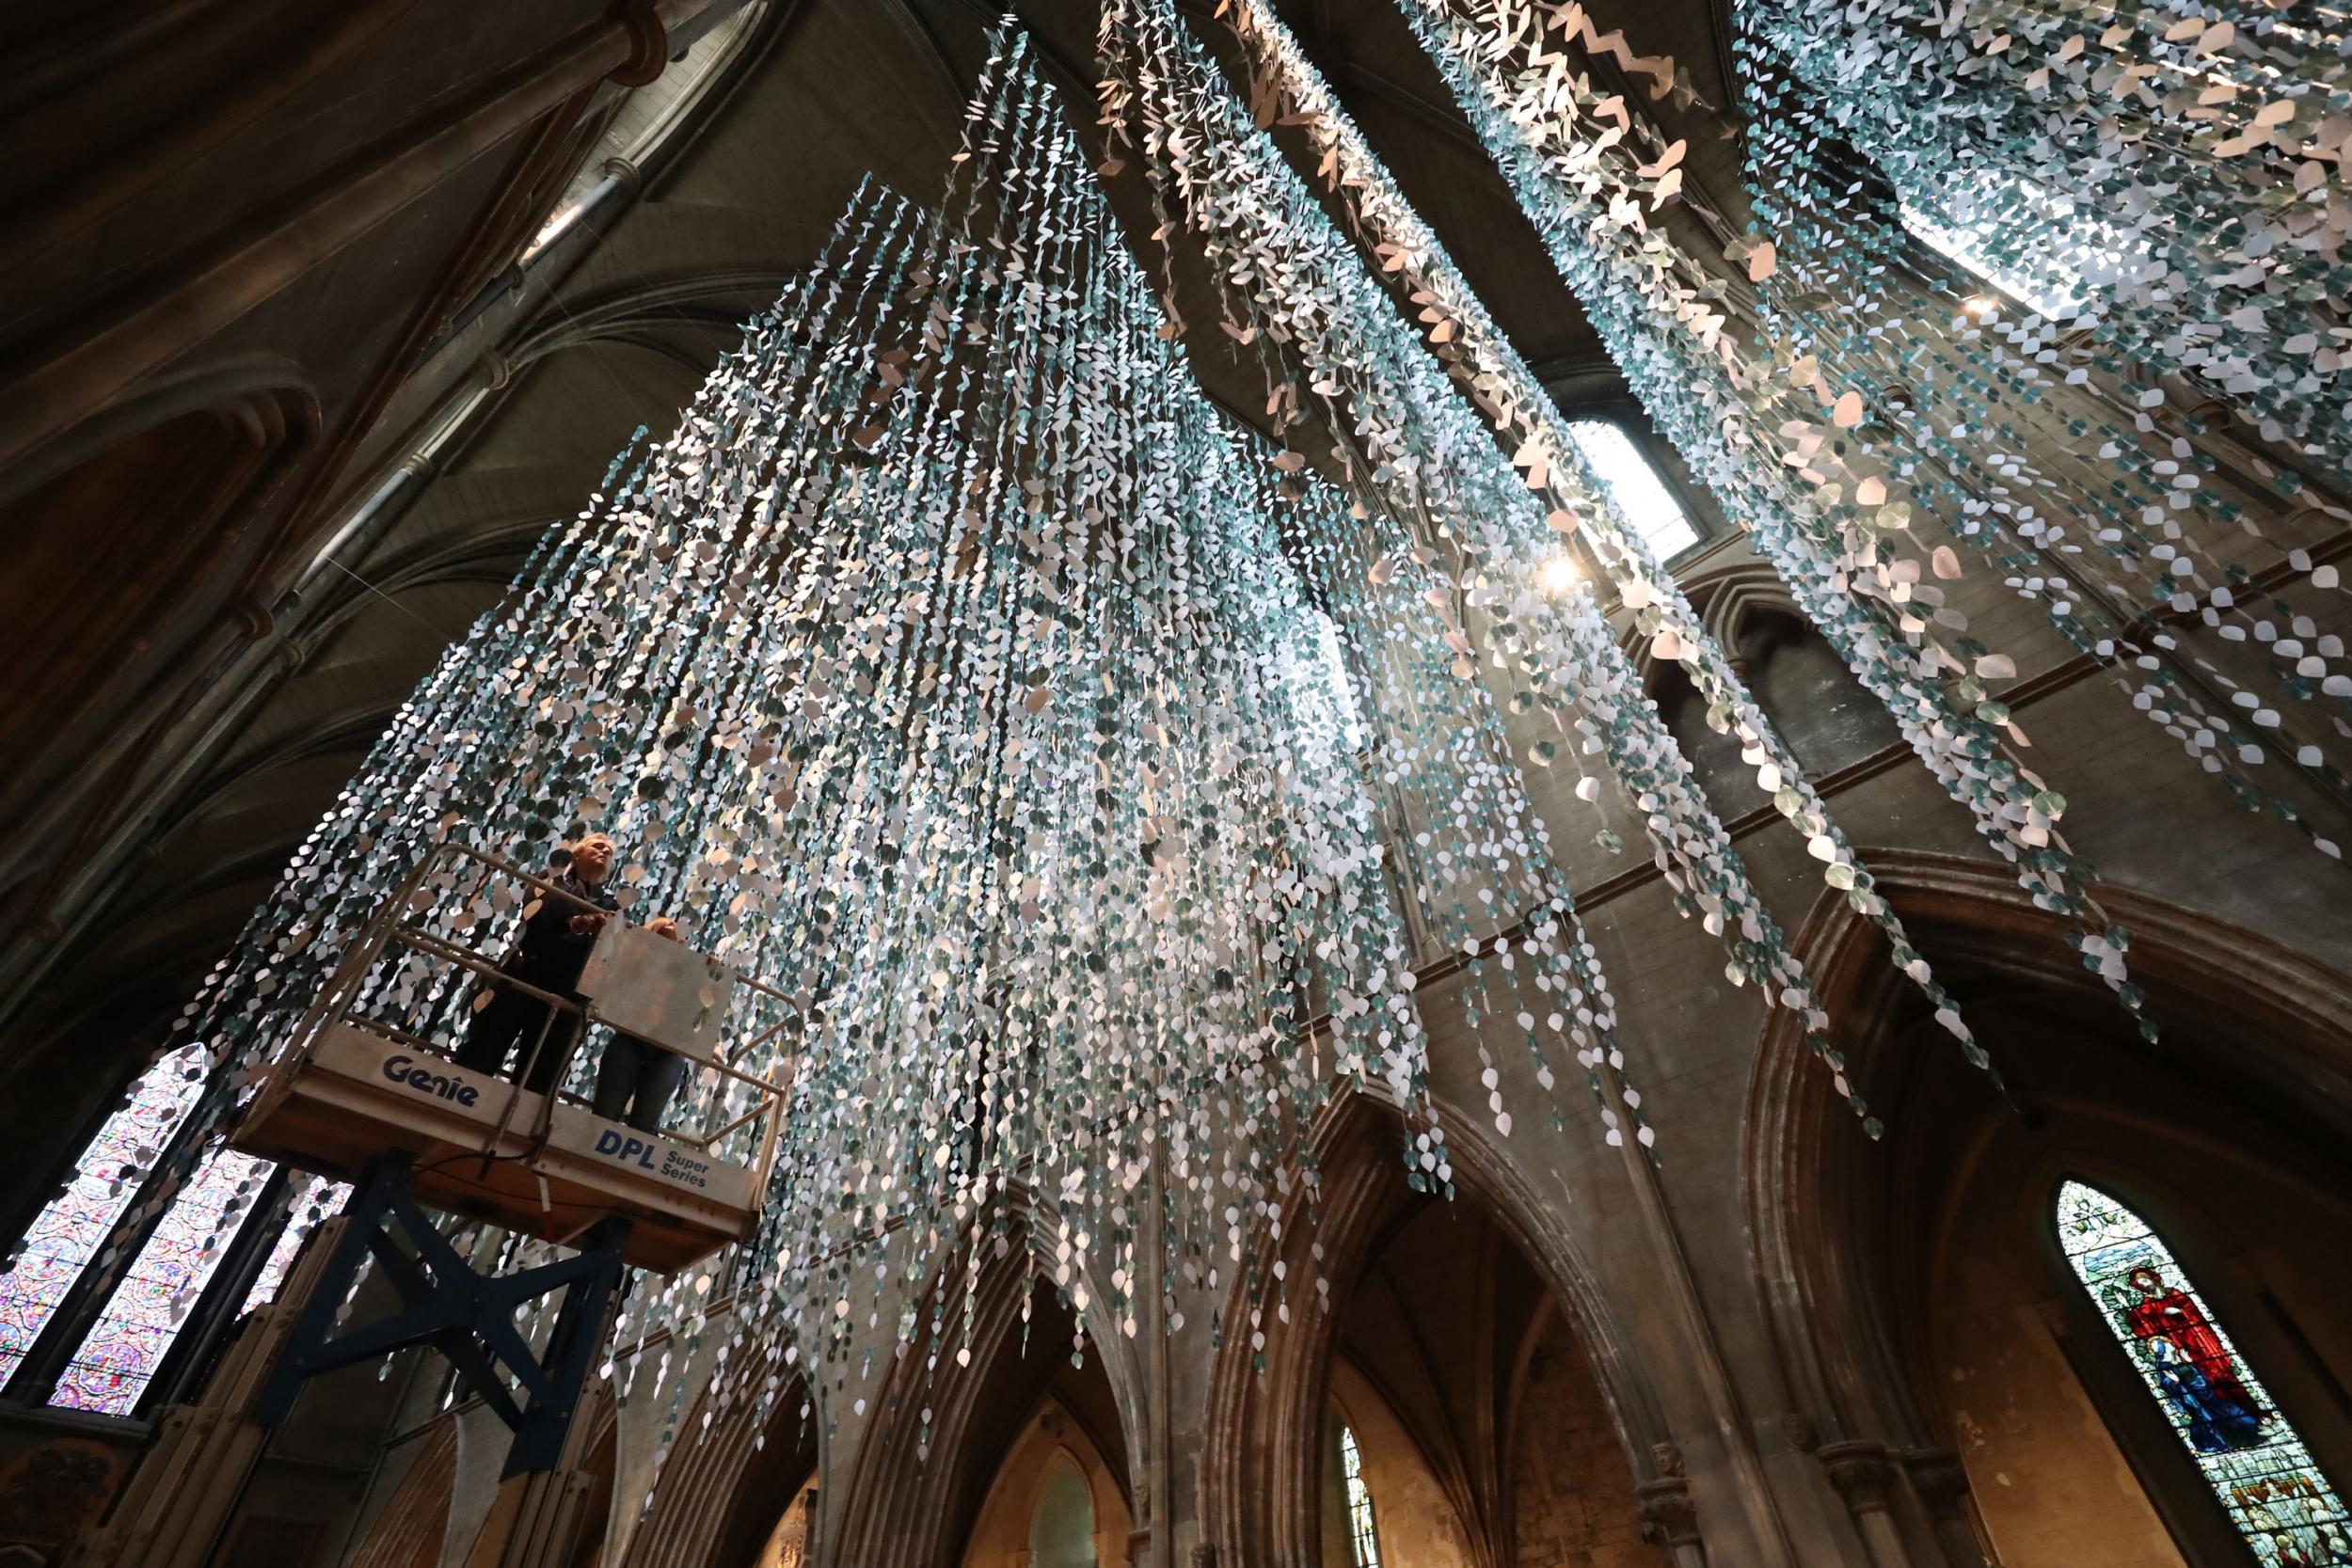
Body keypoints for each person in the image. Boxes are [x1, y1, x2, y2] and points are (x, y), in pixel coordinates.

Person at [455, 832, 622, 1094]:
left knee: (541, 1070)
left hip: (566, 990)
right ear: (577, 854)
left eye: (608, 852)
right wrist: (578, 923)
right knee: (487, 1045)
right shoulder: (550, 881)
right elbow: (542, 913)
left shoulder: (610, 903)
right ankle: (458, 1091)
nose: (604, 853)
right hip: (524, 973)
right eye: (597, 847)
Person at [592, 915, 691, 1132]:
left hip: (667, 1051)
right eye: (662, 939)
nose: (667, 947)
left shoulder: (685, 975)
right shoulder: (634, 966)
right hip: (629, 1040)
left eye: (672, 942)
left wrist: (711, 971)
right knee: (604, 1116)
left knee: (644, 1127)